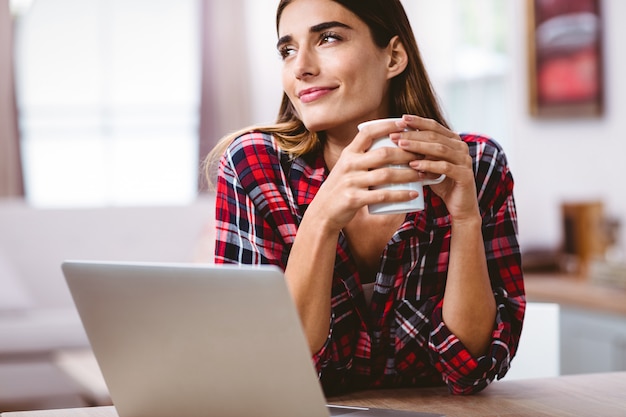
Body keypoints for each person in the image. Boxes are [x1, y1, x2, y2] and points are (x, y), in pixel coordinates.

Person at [205, 0, 525, 396]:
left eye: (328, 38)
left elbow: (471, 368)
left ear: (392, 56)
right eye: (287, 49)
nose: (300, 66)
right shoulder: (254, 165)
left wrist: (465, 219)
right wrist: (321, 219)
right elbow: (265, 373)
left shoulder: (476, 165)